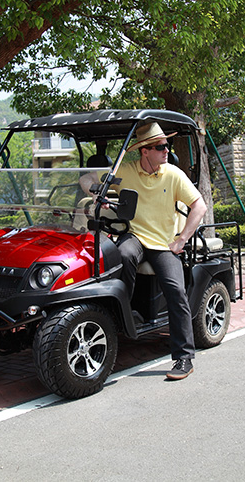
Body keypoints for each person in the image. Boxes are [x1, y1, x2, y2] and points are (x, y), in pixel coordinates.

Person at [80, 121, 207, 380]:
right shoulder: (125, 171)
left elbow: (199, 206)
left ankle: (184, 358)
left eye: (167, 146)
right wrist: (97, 194)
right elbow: (86, 179)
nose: (166, 151)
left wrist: (182, 239)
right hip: (135, 236)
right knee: (121, 254)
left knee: (176, 291)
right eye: (160, 147)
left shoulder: (173, 174)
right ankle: (124, 313)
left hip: (163, 243)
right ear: (144, 151)